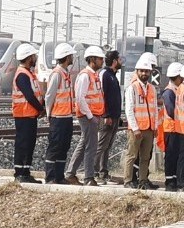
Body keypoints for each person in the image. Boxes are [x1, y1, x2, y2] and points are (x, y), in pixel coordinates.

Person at [123, 52, 161, 189]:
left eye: (147, 71)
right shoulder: (132, 88)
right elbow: (129, 110)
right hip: (136, 130)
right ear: (137, 71)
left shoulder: (151, 89)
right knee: (132, 155)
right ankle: (128, 181)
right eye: (142, 71)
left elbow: (155, 109)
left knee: (145, 157)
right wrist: (135, 128)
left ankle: (143, 180)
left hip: (149, 129)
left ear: (150, 72)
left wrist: (155, 126)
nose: (144, 73)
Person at [160, 61, 184, 191]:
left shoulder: (179, 89)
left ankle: (177, 182)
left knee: (178, 157)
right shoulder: (179, 91)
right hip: (180, 129)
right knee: (178, 158)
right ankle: (177, 183)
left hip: (178, 128)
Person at [73, 46, 110, 183]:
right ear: (92, 59)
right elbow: (80, 98)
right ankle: (89, 177)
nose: (103, 61)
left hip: (93, 115)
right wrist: (90, 116)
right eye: (100, 59)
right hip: (88, 116)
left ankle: (71, 173)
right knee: (91, 147)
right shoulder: (85, 76)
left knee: (84, 144)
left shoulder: (94, 75)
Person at [43, 42, 78, 183]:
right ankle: (51, 176)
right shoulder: (57, 74)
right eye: (71, 56)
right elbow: (49, 96)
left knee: (64, 147)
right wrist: (49, 115)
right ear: (66, 56)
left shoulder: (65, 74)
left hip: (66, 117)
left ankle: (59, 176)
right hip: (58, 117)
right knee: (55, 147)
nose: (72, 58)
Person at [9, 42, 43, 182]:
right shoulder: (22, 75)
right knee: (23, 144)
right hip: (23, 115)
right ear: (29, 58)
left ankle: (26, 172)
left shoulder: (29, 73)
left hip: (29, 115)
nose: (35, 58)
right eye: (33, 56)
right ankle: (20, 173)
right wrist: (41, 109)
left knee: (29, 144)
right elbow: (29, 96)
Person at [101, 49, 128, 183]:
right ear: (114, 61)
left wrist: (118, 115)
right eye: (119, 59)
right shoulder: (105, 75)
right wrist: (106, 115)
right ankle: (97, 172)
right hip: (108, 117)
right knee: (102, 145)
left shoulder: (113, 75)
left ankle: (103, 171)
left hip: (115, 116)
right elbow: (103, 96)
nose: (121, 62)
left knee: (108, 146)